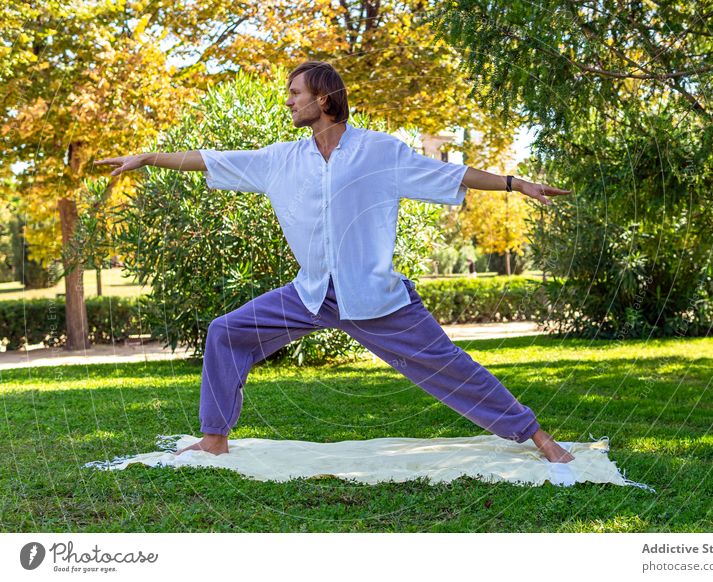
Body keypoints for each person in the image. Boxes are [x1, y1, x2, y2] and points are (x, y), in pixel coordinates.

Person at [95, 60, 575, 463]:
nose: (287, 101)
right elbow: (213, 159)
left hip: (375, 297)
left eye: (294, 92)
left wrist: (517, 183)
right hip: (310, 294)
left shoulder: (379, 152)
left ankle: (537, 437)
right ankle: (214, 440)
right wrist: (149, 158)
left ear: (323, 99)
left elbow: (450, 173)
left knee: (447, 365)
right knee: (226, 332)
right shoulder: (281, 160)